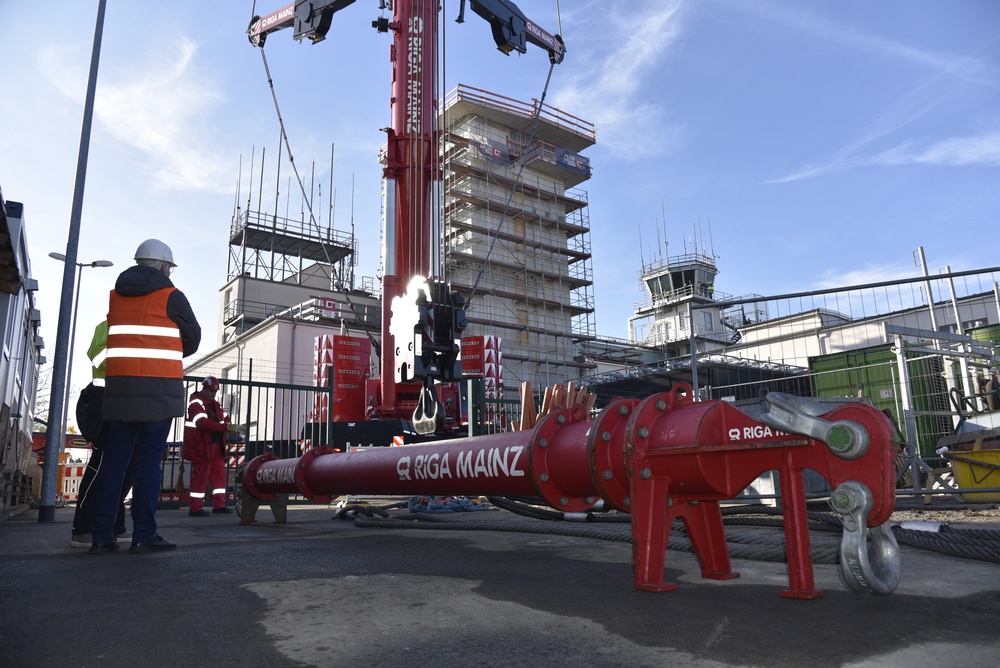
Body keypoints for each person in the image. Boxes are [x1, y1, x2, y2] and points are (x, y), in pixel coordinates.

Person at [88, 239, 201, 555]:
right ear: (165, 267)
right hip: (159, 391)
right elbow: (193, 338)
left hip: (120, 390)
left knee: (114, 462)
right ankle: (144, 535)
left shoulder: (116, 296)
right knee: (150, 462)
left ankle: (101, 537)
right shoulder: (171, 296)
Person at [70, 321, 137, 547]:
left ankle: (114, 525)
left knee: (124, 468)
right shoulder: (111, 323)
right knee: (101, 466)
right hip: (106, 400)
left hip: (124, 401)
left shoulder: (133, 323)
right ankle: (83, 528)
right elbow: (96, 354)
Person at [183, 376, 239, 516]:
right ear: (204, 389)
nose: (213, 394)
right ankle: (195, 509)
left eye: (215, 392)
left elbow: (226, 419)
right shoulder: (196, 403)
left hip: (216, 447)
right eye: (210, 391)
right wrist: (226, 427)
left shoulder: (216, 405)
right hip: (202, 447)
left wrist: (228, 426)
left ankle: (219, 505)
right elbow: (202, 423)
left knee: (219, 478)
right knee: (200, 478)